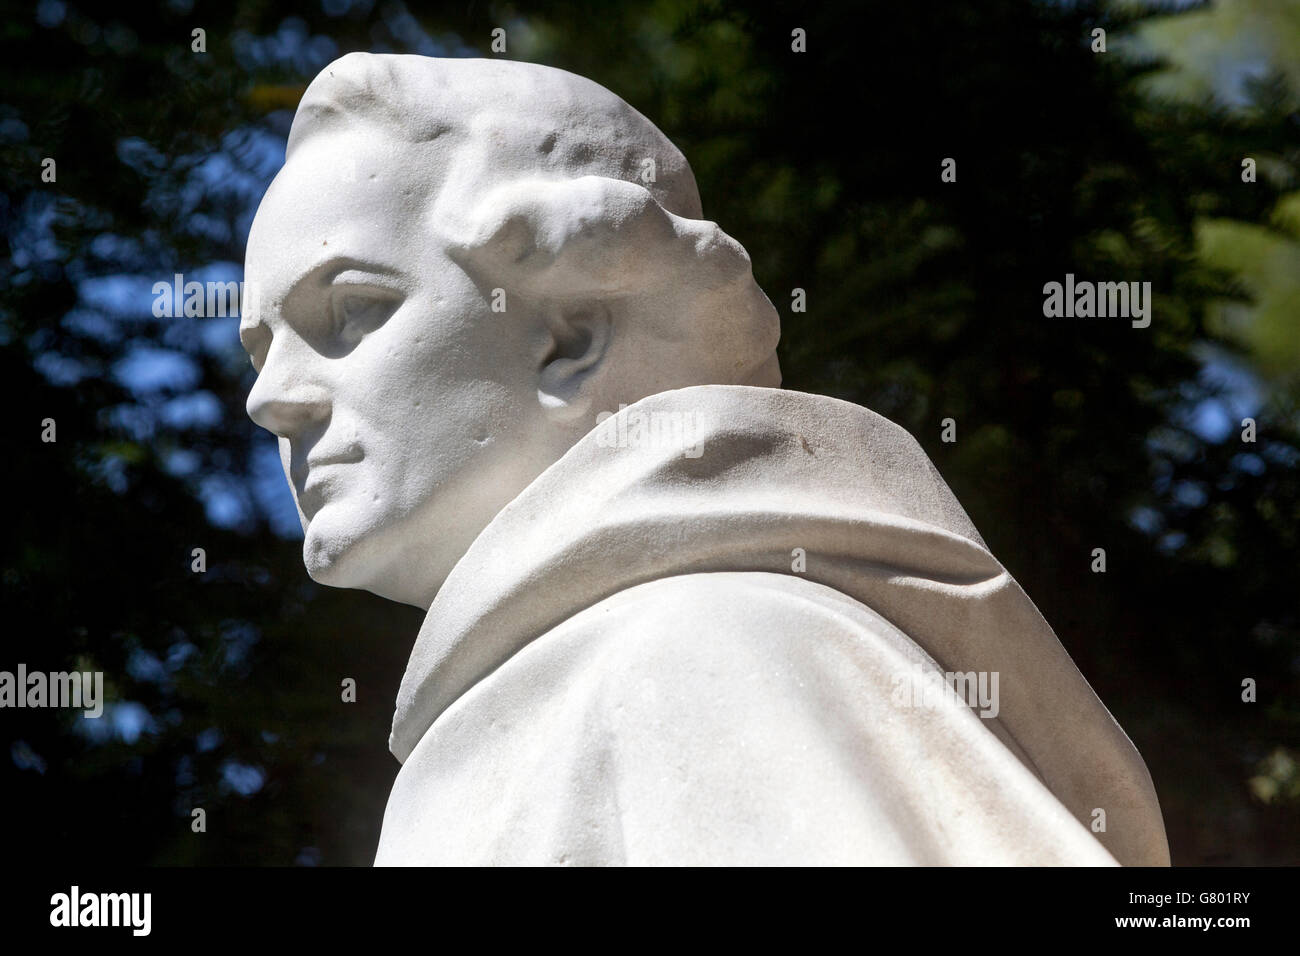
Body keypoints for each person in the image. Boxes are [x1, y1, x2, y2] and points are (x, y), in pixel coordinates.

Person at [242, 53, 1169, 865]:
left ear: (570, 334)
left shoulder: (694, 650)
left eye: (351, 310)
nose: (270, 395)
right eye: (260, 346)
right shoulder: (538, 703)